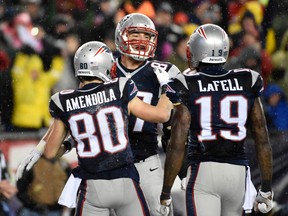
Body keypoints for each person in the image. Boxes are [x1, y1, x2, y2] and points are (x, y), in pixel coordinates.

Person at [17, 40, 172, 216]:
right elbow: (162, 114)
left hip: (93, 186)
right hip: (125, 180)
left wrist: (69, 144)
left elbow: (51, 152)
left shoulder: (64, 101)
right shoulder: (120, 87)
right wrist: (167, 87)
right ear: (105, 66)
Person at [159, 24, 273, 216]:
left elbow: (177, 143)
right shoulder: (247, 78)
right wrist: (267, 187)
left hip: (203, 170)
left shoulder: (187, 83)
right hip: (237, 173)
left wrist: (165, 191)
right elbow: (262, 138)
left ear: (197, 50)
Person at [112, 13, 181, 216]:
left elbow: (178, 121)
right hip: (109, 164)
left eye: (146, 36)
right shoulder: (105, 68)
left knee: (161, 212)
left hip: (146, 161)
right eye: (135, 34)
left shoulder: (164, 71)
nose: (142, 41)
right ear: (120, 37)